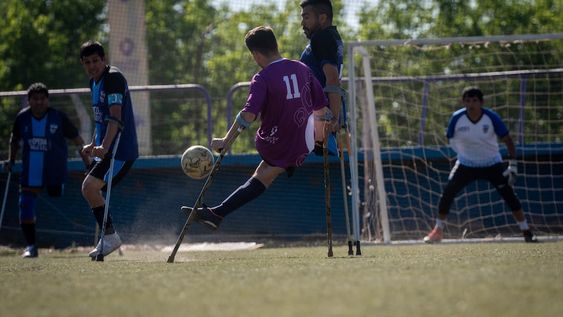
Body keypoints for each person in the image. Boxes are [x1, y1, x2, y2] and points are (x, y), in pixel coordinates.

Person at [184, 26, 329, 230]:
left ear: (256, 54)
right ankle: (217, 214)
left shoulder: (262, 77)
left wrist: (225, 141)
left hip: (278, 143)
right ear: (275, 46)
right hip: (304, 140)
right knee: (263, 174)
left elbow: (248, 114)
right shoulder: (302, 68)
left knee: (265, 172)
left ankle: (217, 214)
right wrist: (320, 140)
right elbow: (321, 109)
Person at [424, 87, 538, 243]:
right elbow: (450, 138)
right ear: (463, 102)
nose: (471, 104)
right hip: (466, 164)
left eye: (475, 100)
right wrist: (463, 154)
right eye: (468, 100)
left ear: (481, 102)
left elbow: (508, 140)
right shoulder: (457, 118)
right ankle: (438, 231)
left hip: (491, 163)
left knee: (509, 196)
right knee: (448, 193)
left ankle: (526, 230)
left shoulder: (491, 117)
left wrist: (513, 165)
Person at [3, 82, 87, 258]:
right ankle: (31, 246)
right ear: (29, 101)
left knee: (58, 198)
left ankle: (85, 239)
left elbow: (78, 140)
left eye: (43, 99)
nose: (39, 102)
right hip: (30, 172)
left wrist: (88, 161)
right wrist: (10, 160)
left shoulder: (58, 117)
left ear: (48, 100)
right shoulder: (22, 118)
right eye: (35, 99)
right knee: (25, 206)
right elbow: (14, 139)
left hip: (55, 171)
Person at [79, 41, 139, 258]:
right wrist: (94, 144)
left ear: (104, 59)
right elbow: (100, 120)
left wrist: (103, 147)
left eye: (96, 60)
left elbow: (115, 116)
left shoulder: (113, 77)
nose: (92, 66)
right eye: (87, 62)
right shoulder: (93, 83)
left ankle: (111, 237)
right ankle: (109, 237)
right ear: (83, 64)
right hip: (107, 149)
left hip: (119, 151)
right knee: (90, 189)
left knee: (89, 188)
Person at [299, 0, 345, 154]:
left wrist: (332, 119)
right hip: (319, 115)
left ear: (322, 18)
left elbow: (332, 80)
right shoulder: (332, 36)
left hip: (318, 117)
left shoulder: (322, 38)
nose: (302, 23)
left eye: (306, 18)